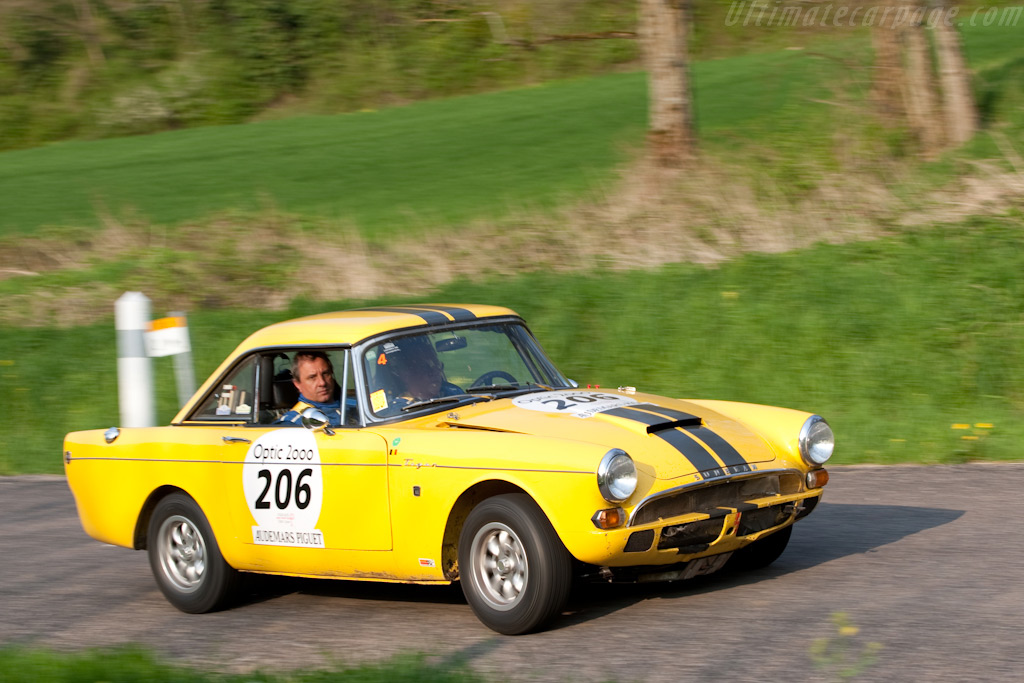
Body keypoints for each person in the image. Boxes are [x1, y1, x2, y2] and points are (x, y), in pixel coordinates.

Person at [372, 336, 462, 414]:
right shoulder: (397, 411)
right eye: (425, 368)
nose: (435, 372)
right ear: (405, 374)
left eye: (437, 365)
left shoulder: (453, 393)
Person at [277, 351, 344, 427]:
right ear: (297, 384)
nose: (322, 383)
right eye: (312, 377)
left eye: (325, 374)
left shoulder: (353, 404)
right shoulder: (292, 424)